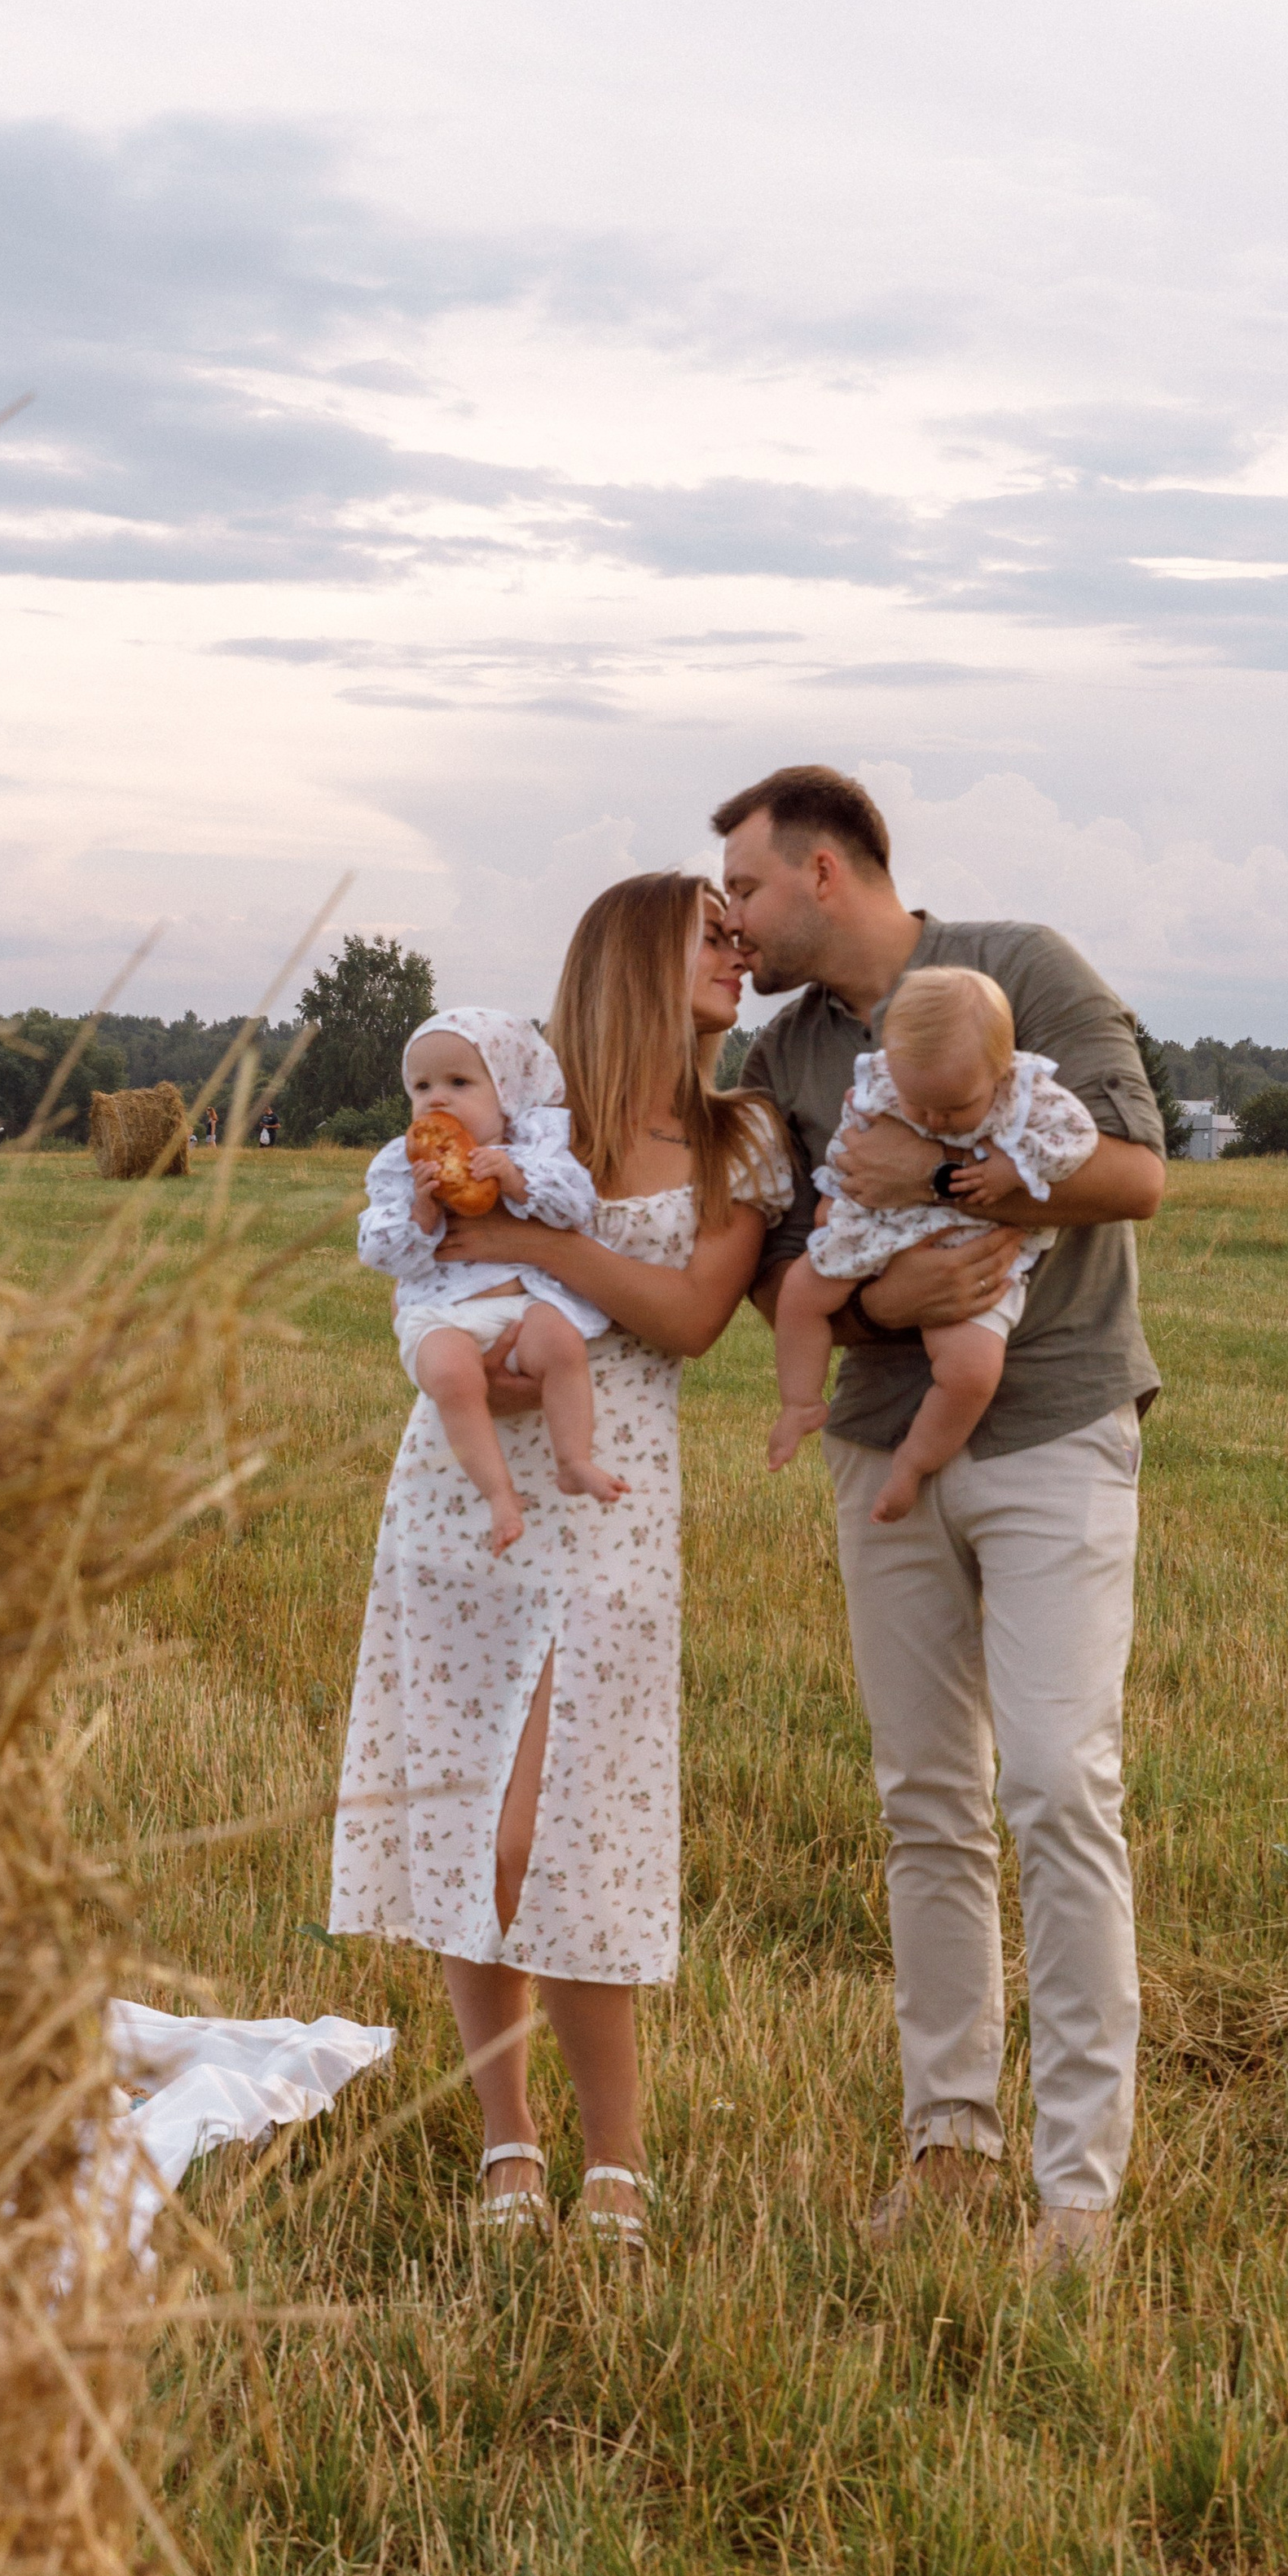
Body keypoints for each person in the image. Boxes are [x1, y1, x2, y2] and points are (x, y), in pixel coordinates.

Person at [719, 765, 1165, 2274]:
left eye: (748, 888)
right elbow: (782, 1266)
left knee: (1055, 1782)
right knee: (925, 1798)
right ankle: (950, 2148)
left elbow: (1135, 1174)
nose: (734, 919)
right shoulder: (782, 1053)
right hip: (876, 1443)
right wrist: (885, 1300)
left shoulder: (1022, 967)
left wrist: (946, 1179)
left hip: (1053, 1425)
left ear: (826, 870)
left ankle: (1079, 2192)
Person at [330, 881, 789, 2253]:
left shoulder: (742, 1135)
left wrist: (531, 1243)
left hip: (612, 1501)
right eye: (711, 934)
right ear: (634, 959)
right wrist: (474, 1318)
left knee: (561, 1831)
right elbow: (428, 1263)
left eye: (740, 932)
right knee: (475, 1825)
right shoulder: (530, 1113)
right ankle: (509, 2144)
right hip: (462, 1502)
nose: (739, 952)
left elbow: (690, 1316)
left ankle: (618, 2162)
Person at [767, 964, 1098, 1523]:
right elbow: (853, 1139)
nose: (934, 1119)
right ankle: (800, 1402)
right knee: (800, 1293)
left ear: (1001, 1070)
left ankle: (914, 1463)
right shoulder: (885, 1080)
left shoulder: (1030, 1094)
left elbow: (1079, 1138)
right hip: (877, 1222)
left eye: (954, 1109)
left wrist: (1014, 1168)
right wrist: (835, 1191)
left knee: (971, 1372)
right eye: (918, 1105)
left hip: (967, 1241)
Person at [355, 1009, 624, 1557]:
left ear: (506, 1093)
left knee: (561, 1342)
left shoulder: (534, 1151)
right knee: (452, 1376)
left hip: (522, 1305)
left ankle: (573, 1459)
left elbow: (577, 1208)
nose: (437, 1098)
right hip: (441, 1314)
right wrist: (421, 1213)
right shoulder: (401, 1168)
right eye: (421, 1086)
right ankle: (499, 1494)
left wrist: (515, 1180)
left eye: (459, 1083)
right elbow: (377, 1250)